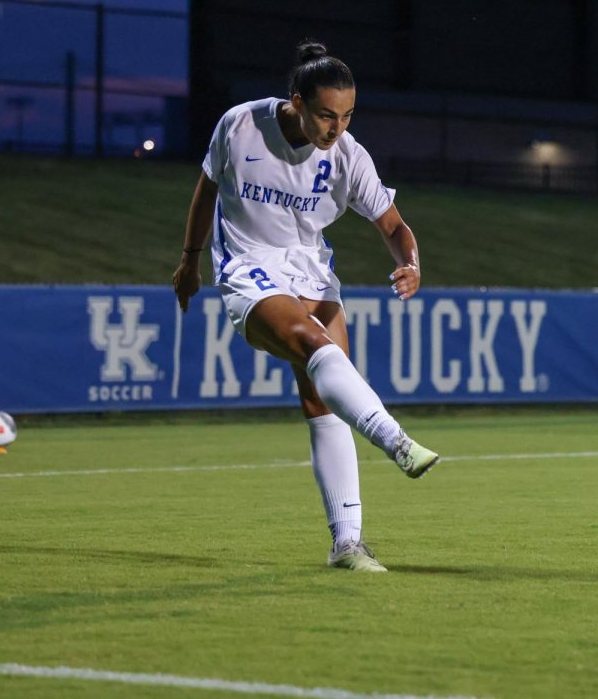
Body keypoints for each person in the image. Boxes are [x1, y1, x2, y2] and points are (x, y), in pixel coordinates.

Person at [172, 41, 439, 573]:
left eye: (346, 115)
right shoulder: (241, 125)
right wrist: (190, 260)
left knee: (325, 403)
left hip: (312, 273)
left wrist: (411, 262)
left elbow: (393, 225)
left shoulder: (347, 155)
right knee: (314, 344)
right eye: (325, 114)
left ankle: (347, 545)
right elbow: (206, 190)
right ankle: (394, 438)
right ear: (296, 101)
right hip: (249, 267)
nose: (335, 128)